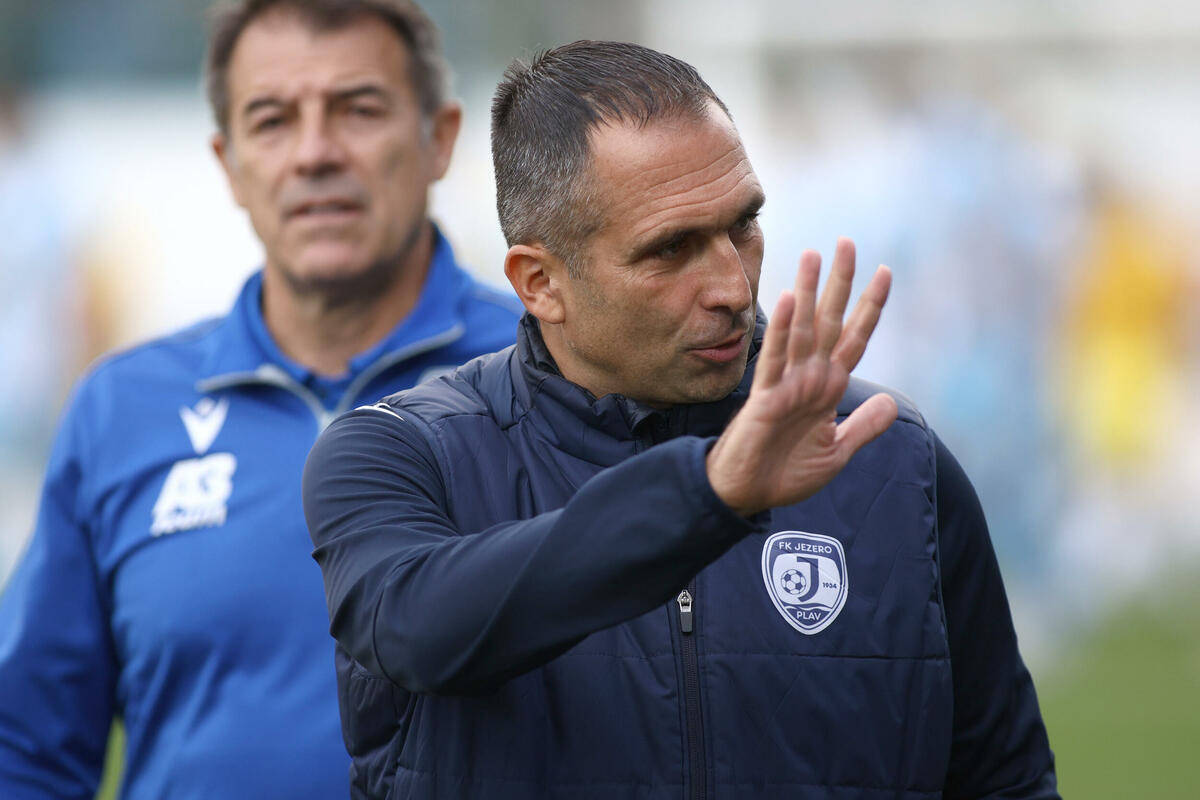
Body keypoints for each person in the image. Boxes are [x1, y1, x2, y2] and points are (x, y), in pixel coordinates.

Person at [303, 40, 1059, 800]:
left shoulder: (891, 458)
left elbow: (1008, 782)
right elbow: (418, 628)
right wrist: (709, 494)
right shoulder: (397, 455)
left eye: (743, 225)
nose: (733, 287)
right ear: (540, 283)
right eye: (672, 249)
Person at [0, 1, 519, 797]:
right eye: (272, 120)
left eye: (359, 109)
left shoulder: (554, 371)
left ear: (439, 138)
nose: (315, 153)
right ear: (229, 163)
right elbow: (25, 747)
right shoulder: (121, 409)